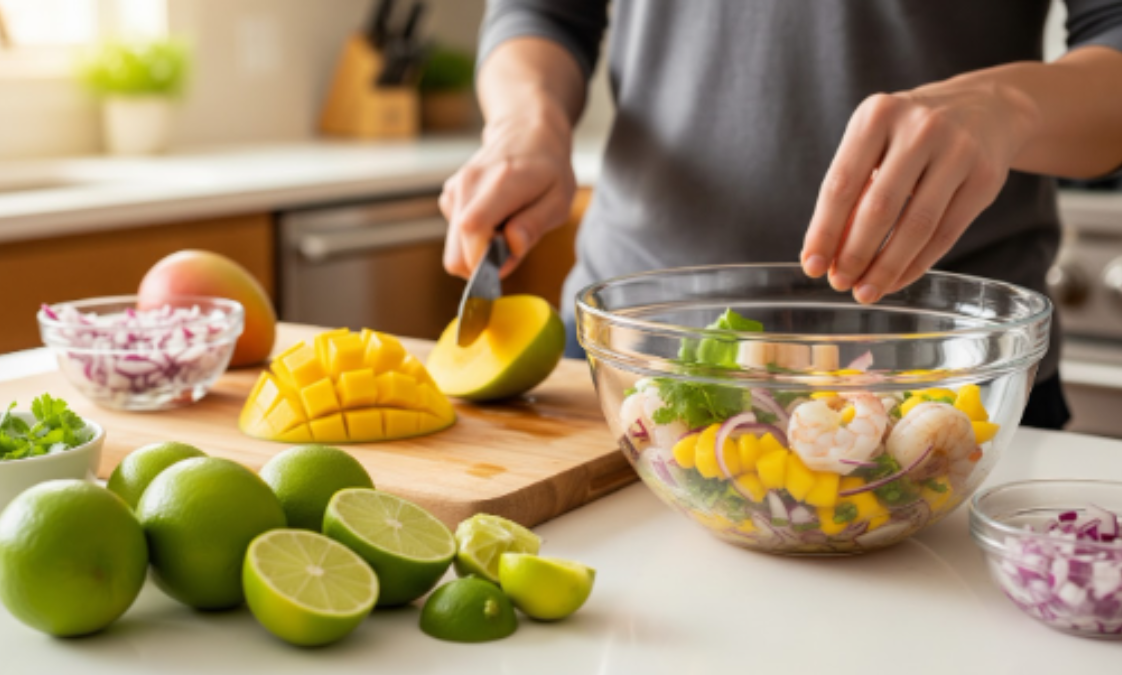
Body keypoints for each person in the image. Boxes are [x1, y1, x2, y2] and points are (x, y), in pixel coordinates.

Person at [440, 0, 1122, 429]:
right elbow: (544, 13)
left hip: (949, 383)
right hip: (629, 363)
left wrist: (1009, 103)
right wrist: (526, 119)